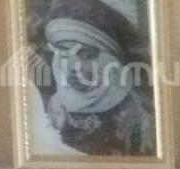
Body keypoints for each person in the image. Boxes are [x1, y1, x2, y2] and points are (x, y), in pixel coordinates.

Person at [38, 0, 156, 156]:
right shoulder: (57, 106)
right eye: (64, 53)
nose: (73, 66)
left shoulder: (134, 115)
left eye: (86, 55)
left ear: (109, 60)